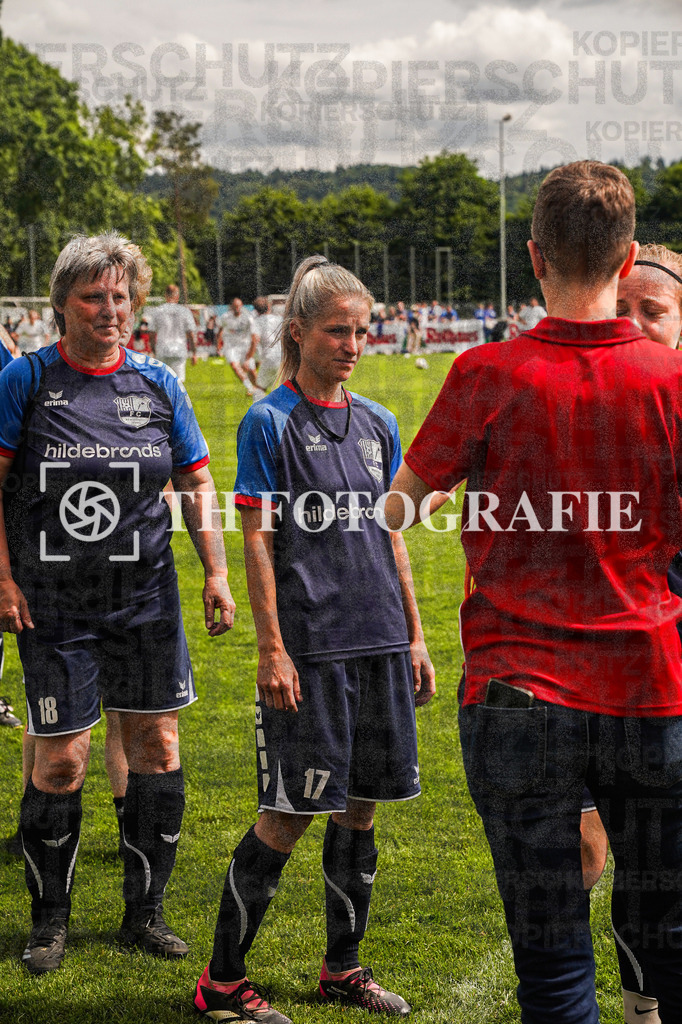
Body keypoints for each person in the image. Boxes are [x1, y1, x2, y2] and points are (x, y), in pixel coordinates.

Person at [385, 161, 682, 1023]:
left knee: (551, 961)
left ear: (533, 255)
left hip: (517, 692)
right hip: (648, 689)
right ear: (629, 261)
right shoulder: (670, 382)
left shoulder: (486, 372)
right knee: (664, 945)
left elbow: (399, 508)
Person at [194, 255, 435, 1024]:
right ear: (298, 334)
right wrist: (271, 648)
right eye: (338, 330)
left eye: (361, 330)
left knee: (361, 808)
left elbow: (393, 537)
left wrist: (416, 637)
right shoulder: (269, 422)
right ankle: (222, 983)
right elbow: (256, 540)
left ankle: (343, 969)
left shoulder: (378, 422)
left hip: (380, 643)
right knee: (287, 813)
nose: (354, 344)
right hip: (312, 650)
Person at [0, 232, 236, 975]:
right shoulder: (27, 380)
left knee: (157, 749)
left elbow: (198, 483)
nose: (111, 309)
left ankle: (146, 914)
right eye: (93, 297)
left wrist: (216, 573)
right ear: (61, 305)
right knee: (63, 763)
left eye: (121, 296)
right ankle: (49, 924)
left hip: (146, 603)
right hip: (55, 606)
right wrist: (3, 579)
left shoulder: (160, 384)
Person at [146, 284, 197, 383]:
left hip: (162, 348)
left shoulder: (157, 311)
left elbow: (151, 333)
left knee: (162, 382)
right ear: (177, 296)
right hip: (179, 349)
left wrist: (153, 350)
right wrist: (194, 352)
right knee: (178, 383)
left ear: (165, 295)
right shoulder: (185, 311)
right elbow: (191, 334)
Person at [244, 296, 283, 400]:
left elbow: (254, 339)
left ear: (255, 310)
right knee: (281, 388)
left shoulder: (257, 322)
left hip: (269, 358)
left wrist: (248, 359)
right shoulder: (279, 319)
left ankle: (256, 413)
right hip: (283, 358)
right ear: (269, 307)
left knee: (259, 388)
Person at [219, 297, 257, 396]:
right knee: (235, 366)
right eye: (235, 306)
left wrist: (252, 350)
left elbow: (254, 334)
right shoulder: (225, 317)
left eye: (239, 306)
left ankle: (258, 389)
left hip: (245, 346)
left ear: (242, 306)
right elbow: (220, 331)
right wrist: (218, 345)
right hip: (231, 346)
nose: (237, 308)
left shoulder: (248, 318)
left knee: (251, 370)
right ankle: (249, 387)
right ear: (231, 307)